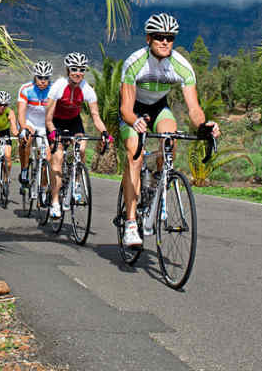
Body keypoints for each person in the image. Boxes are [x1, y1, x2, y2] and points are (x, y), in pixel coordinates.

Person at [119, 13, 220, 247]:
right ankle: (131, 223)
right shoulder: (135, 62)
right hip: (133, 109)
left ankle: (155, 183)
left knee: (170, 143)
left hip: (158, 108)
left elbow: (194, 109)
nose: (165, 42)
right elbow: (125, 108)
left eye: (170, 38)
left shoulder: (182, 66)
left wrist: (204, 126)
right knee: (134, 153)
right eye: (159, 37)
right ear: (148, 39)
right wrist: (134, 121)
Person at [44, 53, 109, 219]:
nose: (78, 73)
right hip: (56, 123)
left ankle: (77, 182)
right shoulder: (59, 86)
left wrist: (104, 133)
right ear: (68, 70)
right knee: (57, 159)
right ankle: (55, 202)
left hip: (74, 121)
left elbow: (96, 116)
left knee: (81, 147)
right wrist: (52, 132)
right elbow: (48, 118)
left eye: (81, 70)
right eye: (74, 69)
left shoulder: (87, 89)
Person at [16, 61, 53, 194]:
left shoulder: (54, 90)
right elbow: (21, 113)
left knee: (48, 158)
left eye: (46, 78)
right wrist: (23, 127)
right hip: (29, 121)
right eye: (40, 77)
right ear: (35, 76)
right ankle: (24, 169)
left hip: (45, 124)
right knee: (26, 140)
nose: (43, 81)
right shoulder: (26, 89)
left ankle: (43, 188)